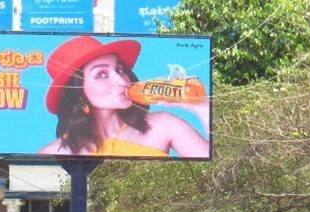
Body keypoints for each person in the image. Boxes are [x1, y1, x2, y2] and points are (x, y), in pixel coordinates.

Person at [37, 36, 211, 158]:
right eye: (102, 75)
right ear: (78, 92)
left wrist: (200, 106)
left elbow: (223, 174)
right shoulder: (53, 153)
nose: (121, 80)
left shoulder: (164, 125)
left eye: (120, 70)